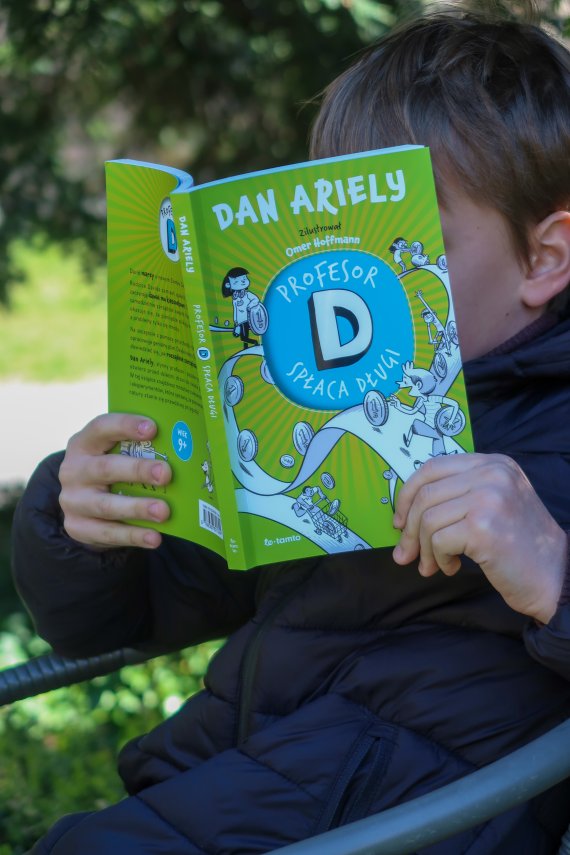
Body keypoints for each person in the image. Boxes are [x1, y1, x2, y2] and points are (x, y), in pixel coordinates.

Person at [11, 3, 570, 852]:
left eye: (411, 242)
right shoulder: (314, 403)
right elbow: (115, 621)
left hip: (394, 824)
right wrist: (84, 524)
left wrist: (555, 571)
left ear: (547, 256)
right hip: (233, 789)